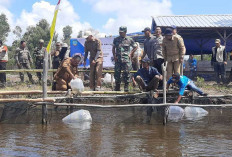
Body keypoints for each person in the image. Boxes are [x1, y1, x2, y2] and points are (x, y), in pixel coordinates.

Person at [112, 26, 138, 91]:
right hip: (118, 59)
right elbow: (113, 48)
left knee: (127, 73)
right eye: (119, 32)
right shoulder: (116, 39)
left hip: (126, 59)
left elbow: (135, 47)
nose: (120, 33)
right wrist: (114, 55)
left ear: (125, 32)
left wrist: (131, 53)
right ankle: (117, 87)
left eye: (122, 32)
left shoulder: (129, 39)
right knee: (117, 73)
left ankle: (126, 87)